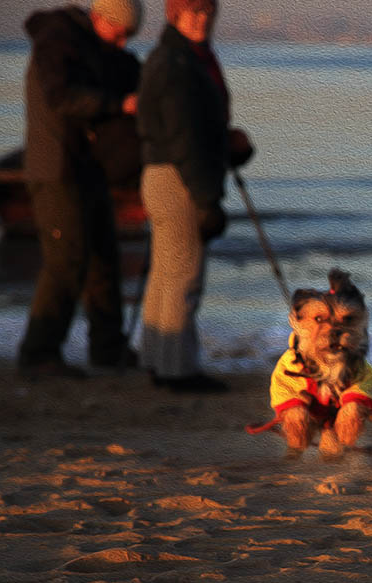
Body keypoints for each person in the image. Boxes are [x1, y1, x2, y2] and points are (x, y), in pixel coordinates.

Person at [18, 0, 143, 379]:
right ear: (100, 19)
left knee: (105, 258)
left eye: (128, 37)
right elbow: (62, 96)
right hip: (56, 167)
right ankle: (39, 353)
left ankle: (107, 348)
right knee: (66, 260)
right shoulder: (58, 40)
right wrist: (120, 103)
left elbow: (126, 74)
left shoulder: (97, 49)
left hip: (88, 167)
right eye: (119, 33)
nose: (122, 43)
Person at [136, 0, 253, 393]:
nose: (202, 20)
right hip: (179, 177)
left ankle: (157, 360)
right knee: (183, 274)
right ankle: (177, 370)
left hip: (165, 172)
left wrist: (226, 146)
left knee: (166, 272)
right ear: (175, 14)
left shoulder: (176, 57)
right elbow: (186, 138)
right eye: (193, 12)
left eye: (207, 13)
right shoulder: (178, 64)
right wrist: (207, 201)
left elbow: (196, 129)